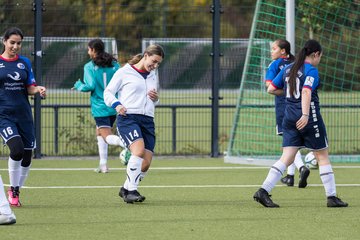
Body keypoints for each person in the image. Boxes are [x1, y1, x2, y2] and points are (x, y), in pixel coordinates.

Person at [253, 39, 348, 208]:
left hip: (288, 117)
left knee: (287, 157)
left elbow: (271, 89)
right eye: (321, 56)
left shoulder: (289, 68)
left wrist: (290, 94)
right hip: (308, 118)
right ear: (316, 54)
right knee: (322, 155)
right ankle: (332, 197)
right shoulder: (311, 70)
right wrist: (305, 114)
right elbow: (306, 91)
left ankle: (263, 191)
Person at [104, 44, 164, 203]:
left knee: (145, 164)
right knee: (138, 151)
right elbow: (108, 92)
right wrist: (116, 104)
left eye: (158, 63)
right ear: (146, 55)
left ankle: (125, 188)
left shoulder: (153, 74)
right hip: (128, 117)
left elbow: (153, 101)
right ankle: (132, 191)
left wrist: (156, 99)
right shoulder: (125, 72)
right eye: (154, 61)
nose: (155, 65)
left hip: (148, 120)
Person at [0, 27, 46, 207]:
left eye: (19, 43)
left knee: (27, 156)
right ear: (4, 41)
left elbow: (30, 87)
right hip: (4, 115)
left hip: (24, 115)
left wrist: (38, 89)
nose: (15, 46)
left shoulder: (25, 62)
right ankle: (14, 190)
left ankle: (15, 190)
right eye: (12, 42)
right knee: (17, 150)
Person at [73, 38, 126, 173]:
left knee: (106, 136)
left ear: (93, 50)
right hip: (114, 105)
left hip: (100, 106)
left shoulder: (89, 66)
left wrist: (78, 85)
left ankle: (127, 144)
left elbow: (89, 86)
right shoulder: (114, 64)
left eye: (89, 49)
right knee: (99, 132)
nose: (88, 51)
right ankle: (103, 164)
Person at [265, 39, 310, 188]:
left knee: (289, 143)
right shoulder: (297, 63)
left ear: (283, 51)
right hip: (301, 107)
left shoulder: (275, 65)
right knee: (294, 141)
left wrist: (286, 93)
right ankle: (290, 176)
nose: (272, 52)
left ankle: (301, 167)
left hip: (285, 108)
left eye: (274, 49)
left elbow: (269, 87)